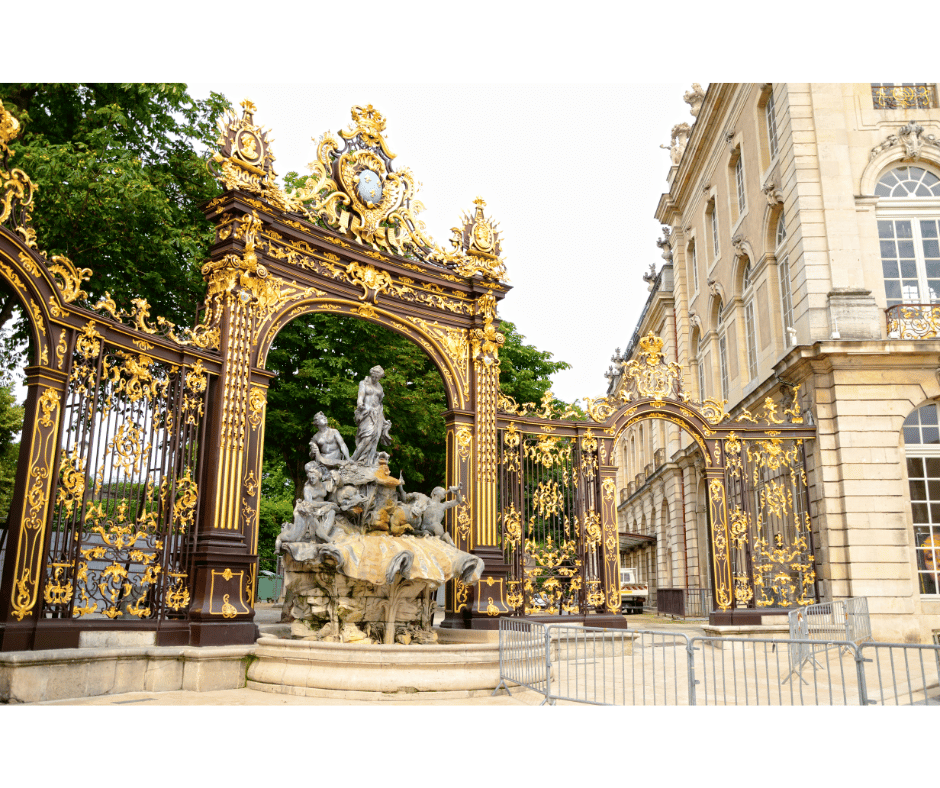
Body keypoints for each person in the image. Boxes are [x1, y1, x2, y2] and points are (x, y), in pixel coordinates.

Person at [350, 365, 392, 465]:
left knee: (375, 438)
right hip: (366, 413)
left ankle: (368, 463)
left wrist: (383, 418)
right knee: (367, 437)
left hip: (377, 414)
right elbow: (360, 396)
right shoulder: (363, 383)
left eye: (378, 377)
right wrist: (360, 404)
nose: (375, 379)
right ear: (371, 374)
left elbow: (380, 402)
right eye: (374, 376)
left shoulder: (380, 387)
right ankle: (353, 459)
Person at [308, 411, 350, 491]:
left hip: (334, 460)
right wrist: (312, 452)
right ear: (317, 422)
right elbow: (311, 455)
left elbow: (342, 445)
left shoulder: (334, 431)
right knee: (308, 467)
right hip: (322, 462)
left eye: (325, 417)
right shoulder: (316, 437)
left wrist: (348, 458)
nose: (325, 418)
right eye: (322, 418)